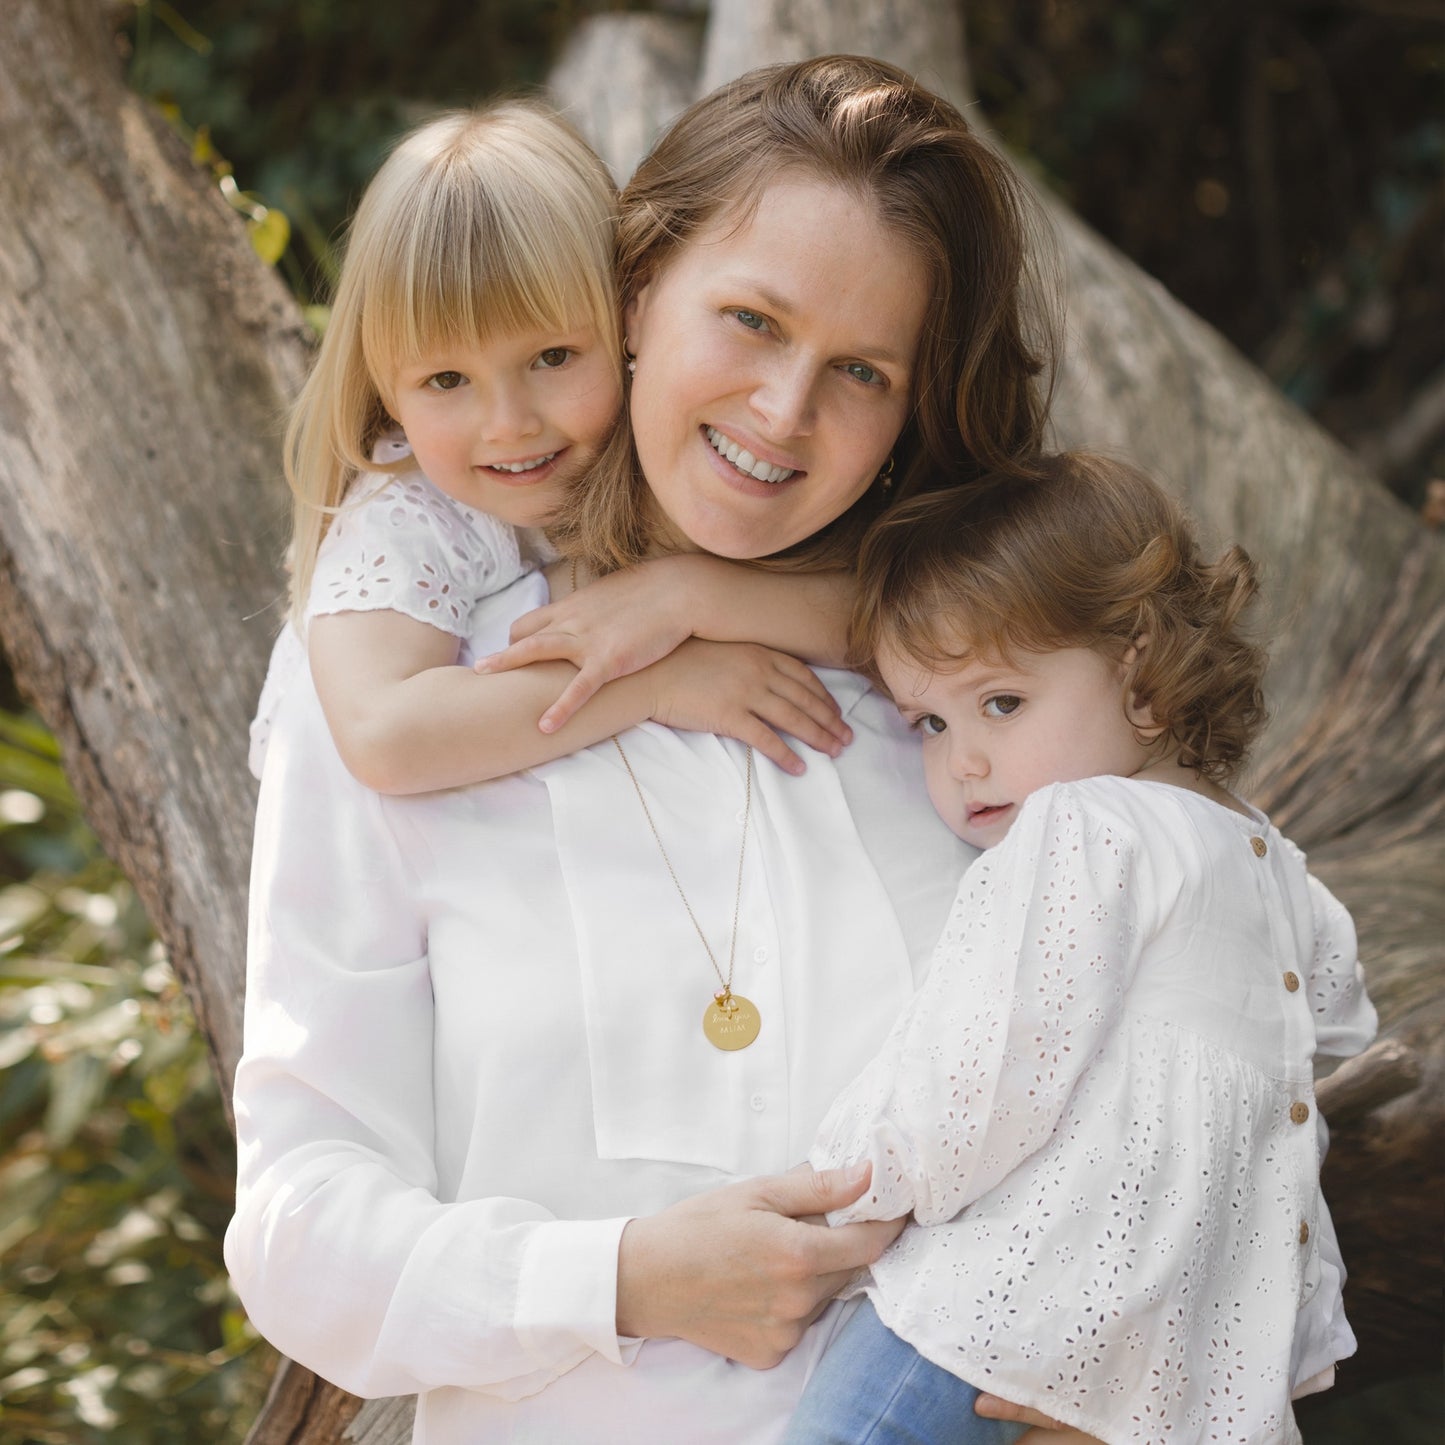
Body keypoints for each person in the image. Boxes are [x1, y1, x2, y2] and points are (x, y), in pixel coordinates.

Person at [226, 55, 1127, 1445]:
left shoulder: (976, 697)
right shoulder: (397, 665)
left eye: (861, 372)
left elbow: (1181, 1067)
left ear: (909, 409)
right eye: (750, 322)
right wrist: (623, 1277)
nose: (781, 411)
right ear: (633, 294)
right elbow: (296, 1227)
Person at [783, 454, 1376, 1445]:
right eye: (928, 719)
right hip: (1153, 1374)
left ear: (1139, 669)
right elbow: (1322, 1033)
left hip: (991, 1315)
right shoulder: (1275, 865)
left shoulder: (1084, 825)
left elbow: (979, 1066)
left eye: (999, 701)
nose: (960, 756)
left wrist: (843, 1187)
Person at [248, 99, 854, 796]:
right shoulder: (410, 514)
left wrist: (688, 598)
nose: (508, 423)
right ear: (387, 392)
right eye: (447, 379)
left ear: (629, 317)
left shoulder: (662, 439)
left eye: (552, 357)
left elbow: (874, 610)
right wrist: (653, 682)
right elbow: (385, 738)